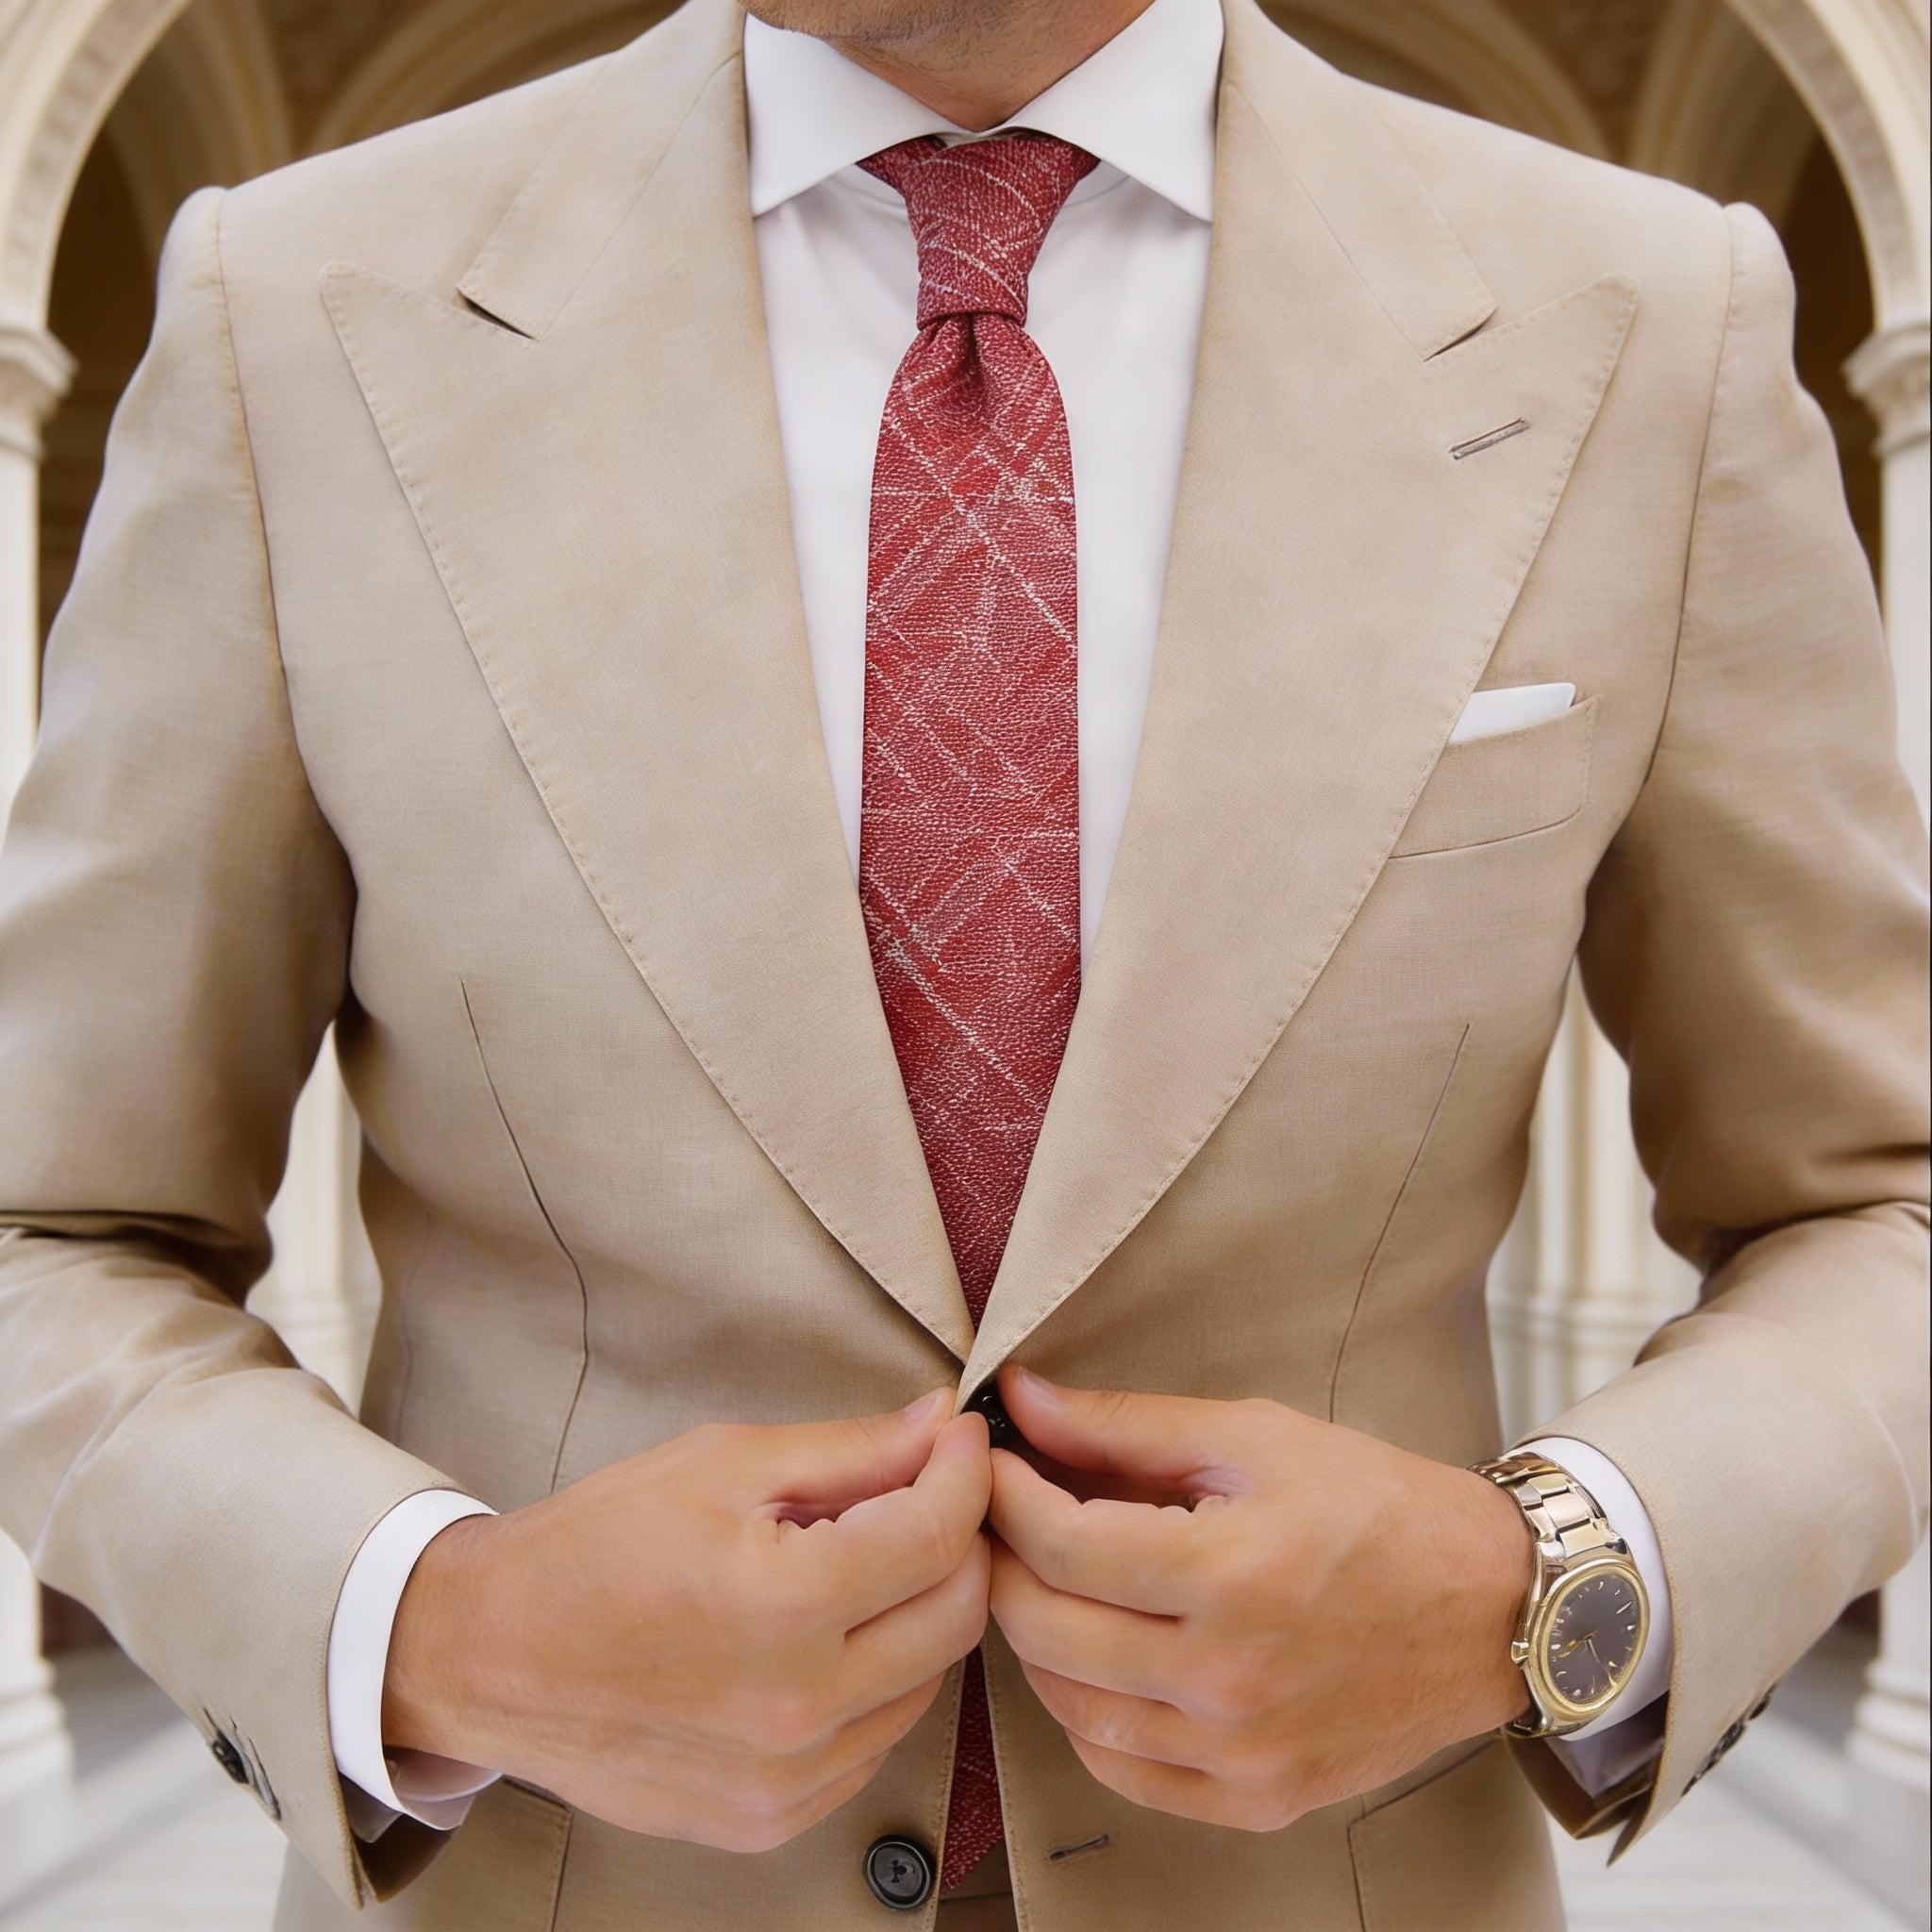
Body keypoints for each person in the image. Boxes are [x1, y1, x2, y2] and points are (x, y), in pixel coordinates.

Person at [0, 0, 1924, 1923]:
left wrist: (1547, 1587)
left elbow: (1879, 1201)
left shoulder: (1646, 317)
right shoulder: (297, 307)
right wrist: (437, 1626)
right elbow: (49, 1226)